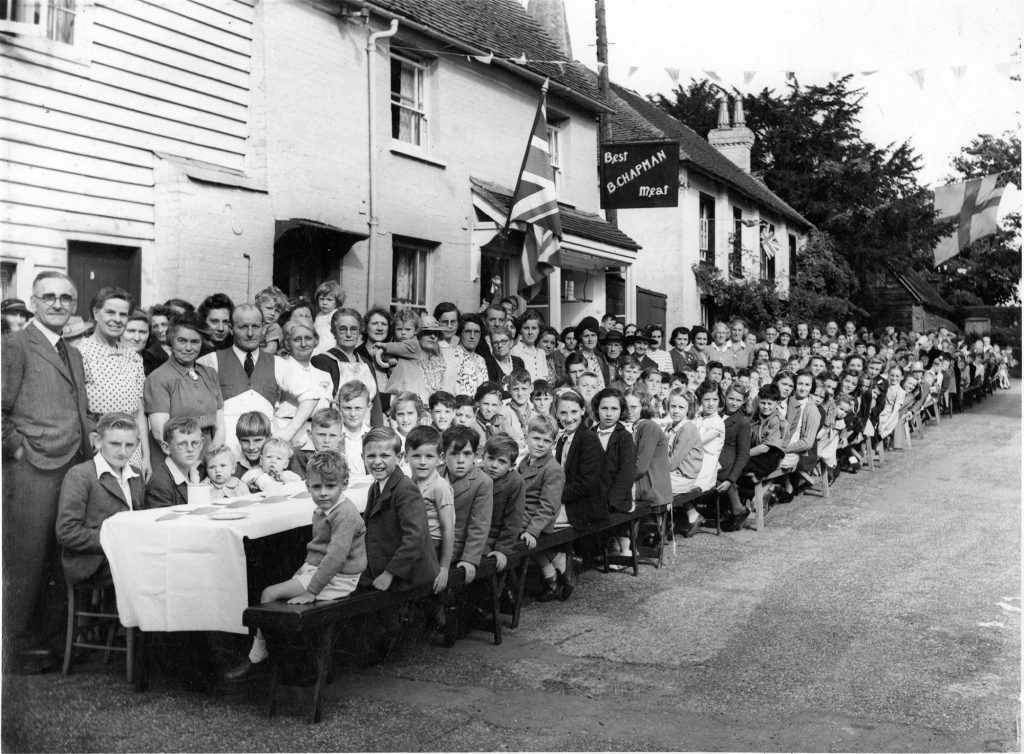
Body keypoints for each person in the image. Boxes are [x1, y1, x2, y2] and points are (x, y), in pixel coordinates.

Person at [2, 271, 91, 674]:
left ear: (74, 304)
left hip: (72, 464)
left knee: (60, 558)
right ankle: (15, 647)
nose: (58, 304)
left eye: (66, 298)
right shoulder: (14, 345)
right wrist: (18, 447)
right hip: (31, 468)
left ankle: (55, 642)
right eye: (49, 297)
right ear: (34, 302)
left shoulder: (72, 352)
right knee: (25, 560)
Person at [225, 450, 366, 682]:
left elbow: (335, 558)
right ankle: (284, 656)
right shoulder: (327, 508)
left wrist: (312, 591)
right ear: (307, 486)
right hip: (326, 572)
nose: (322, 493)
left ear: (344, 485)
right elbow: (319, 551)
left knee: (268, 593)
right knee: (278, 587)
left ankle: (259, 656)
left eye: (330, 486)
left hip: (339, 578)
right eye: (316, 487)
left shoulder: (344, 514)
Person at [197, 304, 320, 453]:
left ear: (263, 327)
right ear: (231, 328)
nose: (250, 333)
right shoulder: (210, 361)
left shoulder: (277, 363)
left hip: (265, 454)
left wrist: (287, 432)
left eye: (255, 326)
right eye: (243, 327)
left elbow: (312, 394)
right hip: (225, 454)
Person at [55, 412, 144, 590]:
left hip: (127, 556)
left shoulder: (135, 474)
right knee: (145, 572)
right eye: (115, 444)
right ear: (97, 441)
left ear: (137, 446)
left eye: (129, 445)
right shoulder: (81, 475)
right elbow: (66, 531)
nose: (122, 451)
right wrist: (116, 539)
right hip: (91, 562)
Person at [77, 287, 150, 477]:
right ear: (95, 313)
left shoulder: (133, 356)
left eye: (123, 314)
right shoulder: (80, 354)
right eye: (110, 312)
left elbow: (139, 412)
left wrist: (145, 456)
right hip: (99, 447)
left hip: (132, 450)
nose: (117, 319)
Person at [360, 427, 439, 595]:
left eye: (385, 456)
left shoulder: (404, 489)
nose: (377, 462)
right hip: (387, 569)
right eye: (371, 456)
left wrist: (390, 573)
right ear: (363, 458)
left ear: (399, 457)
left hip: (410, 577)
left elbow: (415, 537)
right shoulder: (375, 487)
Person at [143, 312, 225, 458]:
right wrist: (189, 460)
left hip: (208, 456)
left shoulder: (210, 374)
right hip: (173, 456)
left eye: (195, 342)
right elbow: (159, 433)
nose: (188, 348)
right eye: (182, 341)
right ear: (171, 341)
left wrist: (213, 455)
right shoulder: (158, 378)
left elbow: (219, 426)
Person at [517, 413, 568, 602]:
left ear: (553, 444)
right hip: (524, 513)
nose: (540, 444)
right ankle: (551, 577)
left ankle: (511, 590)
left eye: (546, 441)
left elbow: (548, 505)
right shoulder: (524, 461)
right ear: (526, 437)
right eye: (536, 438)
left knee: (506, 534)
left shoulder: (552, 469)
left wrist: (532, 531)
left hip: (539, 518)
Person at [313, 308, 384, 427]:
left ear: (360, 331)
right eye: (343, 329)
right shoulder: (322, 361)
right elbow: (322, 409)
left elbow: (376, 405)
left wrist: (378, 434)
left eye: (354, 329)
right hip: (336, 432)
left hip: (367, 433)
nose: (349, 334)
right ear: (333, 332)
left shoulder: (366, 363)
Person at [405, 426, 455, 594]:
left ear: (440, 458)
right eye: (416, 456)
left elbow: (448, 529)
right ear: (406, 457)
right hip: (415, 540)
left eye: (429, 456)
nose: (422, 462)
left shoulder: (440, 487)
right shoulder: (409, 483)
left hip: (433, 545)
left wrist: (444, 568)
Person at [144, 415, 205, 509]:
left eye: (195, 443)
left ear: (201, 444)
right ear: (166, 448)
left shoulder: (197, 472)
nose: (190, 449)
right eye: (182, 444)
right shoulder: (160, 484)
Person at [717, 384, 752, 531]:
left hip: (727, 460)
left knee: (713, 475)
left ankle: (736, 508)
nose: (733, 403)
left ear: (743, 401)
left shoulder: (742, 422)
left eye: (738, 400)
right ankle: (736, 507)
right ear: (725, 397)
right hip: (715, 454)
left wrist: (731, 479)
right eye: (731, 398)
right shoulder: (717, 414)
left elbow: (744, 454)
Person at [511, 310, 550, 382]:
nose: (530, 332)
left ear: (539, 330)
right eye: (526, 328)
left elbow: (544, 378)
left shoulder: (541, 353)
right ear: (520, 330)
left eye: (534, 328)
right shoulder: (515, 351)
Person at [575, 317, 609, 387]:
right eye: (586, 336)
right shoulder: (576, 358)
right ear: (581, 338)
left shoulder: (599, 359)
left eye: (593, 335)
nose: (590, 339)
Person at [313, 280, 345, 354]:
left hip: (330, 345)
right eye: (322, 299)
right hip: (318, 344)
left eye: (329, 300)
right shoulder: (319, 315)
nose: (324, 303)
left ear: (337, 302)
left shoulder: (335, 314)